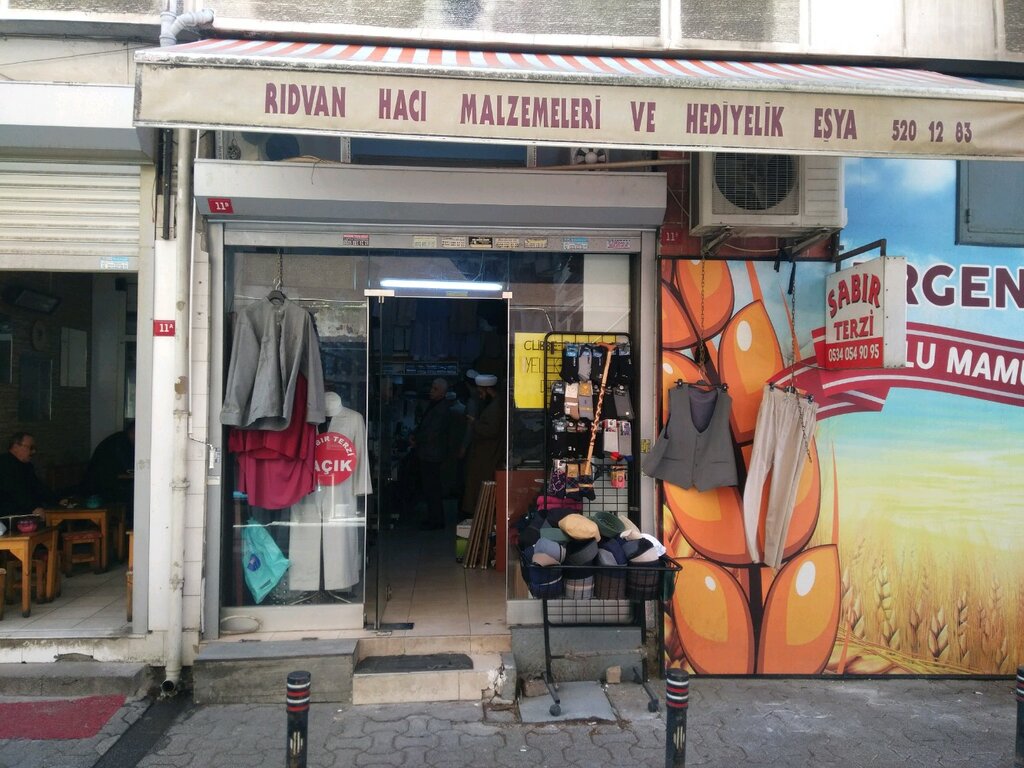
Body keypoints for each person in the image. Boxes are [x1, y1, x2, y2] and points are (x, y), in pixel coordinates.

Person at [460, 374, 506, 519]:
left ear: (488, 390)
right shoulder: (495, 405)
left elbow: (491, 430)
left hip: (488, 455)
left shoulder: (495, 407)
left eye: (481, 392)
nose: (480, 396)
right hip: (486, 454)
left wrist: (474, 423)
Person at [411, 378, 453, 531]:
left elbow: (432, 432)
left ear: (442, 392)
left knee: (432, 488)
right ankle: (433, 518)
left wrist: (417, 439)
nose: (431, 391)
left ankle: (436, 520)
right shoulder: (436, 405)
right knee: (430, 488)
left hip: (432, 453)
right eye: (432, 388)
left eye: (435, 389)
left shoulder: (441, 409)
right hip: (430, 452)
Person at [0, 431, 56, 518]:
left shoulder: (27, 466)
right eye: (31, 447)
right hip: (8, 515)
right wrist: (33, 507)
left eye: (35, 448)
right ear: (16, 447)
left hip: (22, 512)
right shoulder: (4, 463)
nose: (33, 451)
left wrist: (56, 499)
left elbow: (38, 487)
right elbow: (14, 490)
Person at [85, 422, 135, 504]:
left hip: (102, 484)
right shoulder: (120, 442)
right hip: (99, 488)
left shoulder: (120, 439)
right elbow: (121, 471)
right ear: (133, 432)